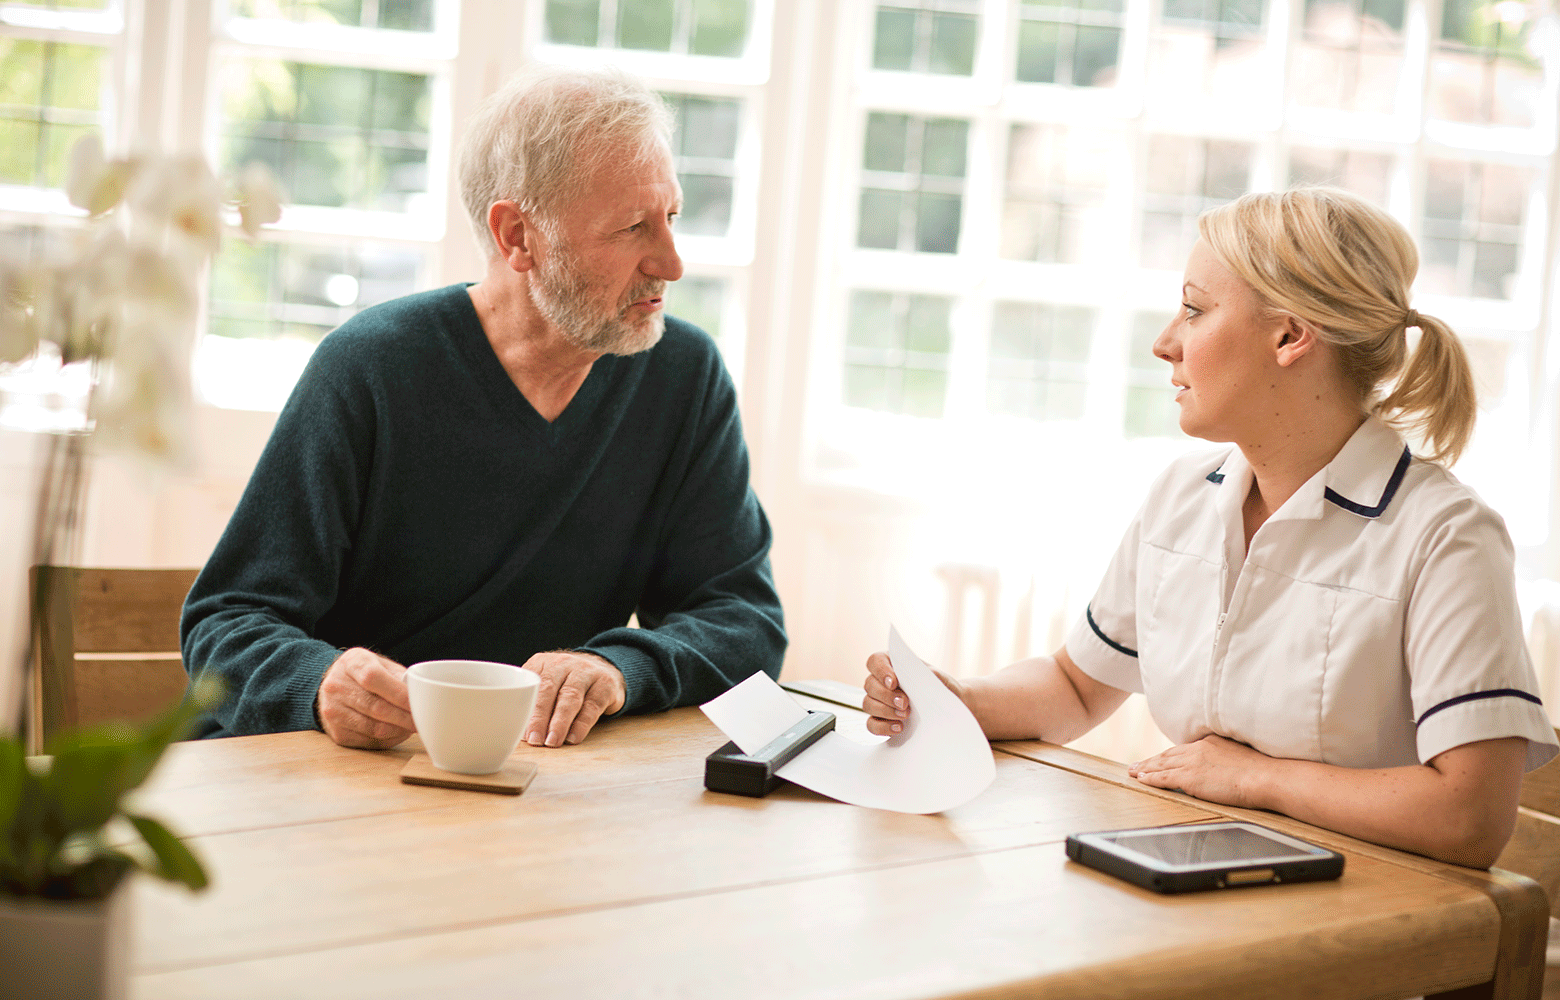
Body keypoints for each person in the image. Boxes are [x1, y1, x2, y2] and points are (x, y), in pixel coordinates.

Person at [863, 187, 1557, 868]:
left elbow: (1470, 818)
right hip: (1197, 870)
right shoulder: (1182, 496)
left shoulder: (1447, 537)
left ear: (1289, 335)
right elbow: (1076, 687)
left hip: (1363, 922)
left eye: (1194, 311)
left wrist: (1257, 777)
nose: (1166, 343)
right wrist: (961, 701)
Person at [182, 65, 786, 749]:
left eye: (670, 217)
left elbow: (745, 621)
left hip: (534, 792)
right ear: (517, 237)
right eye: (633, 228)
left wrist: (620, 667)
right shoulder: (371, 368)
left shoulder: (683, 376)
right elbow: (226, 622)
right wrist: (319, 682)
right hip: (329, 778)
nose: (672, 263)